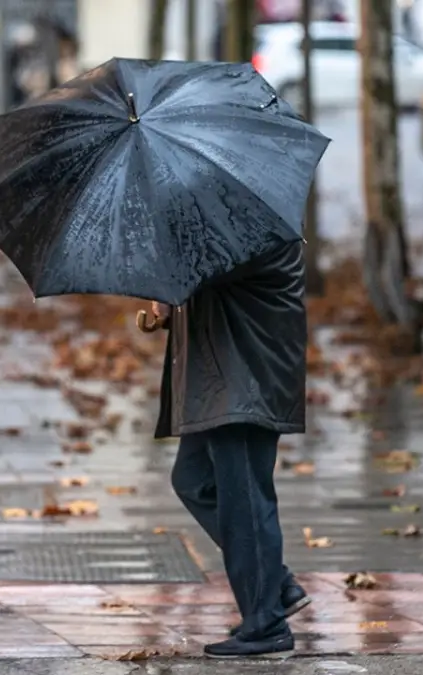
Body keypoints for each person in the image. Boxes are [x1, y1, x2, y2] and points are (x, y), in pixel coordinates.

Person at [147, 240, 310, 659]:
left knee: (245, 499)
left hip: (246, 378)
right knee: (193, 479)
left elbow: (209, 268)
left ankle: (266, 624)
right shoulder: (223, 219)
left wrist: (165, 287)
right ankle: (276, 586)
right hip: (223, 376)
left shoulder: (251, 226)